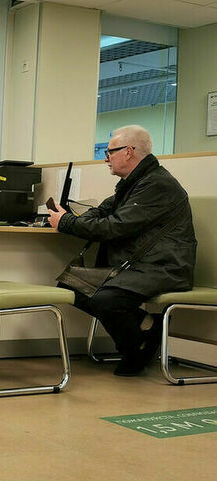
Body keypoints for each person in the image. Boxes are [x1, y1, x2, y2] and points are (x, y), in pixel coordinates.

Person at [48, 125, 197, 376]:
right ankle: (148, 326)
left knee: (106, 299)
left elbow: (114, 227)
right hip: (141, 266)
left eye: (110, 152)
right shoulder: (133, 183)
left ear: (128, 152)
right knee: (71, 285)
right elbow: (101, 212)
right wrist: (71, 220)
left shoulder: (157, 184)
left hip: (165, 267)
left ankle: (135, 352)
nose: (106, 159)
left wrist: (66, 223)